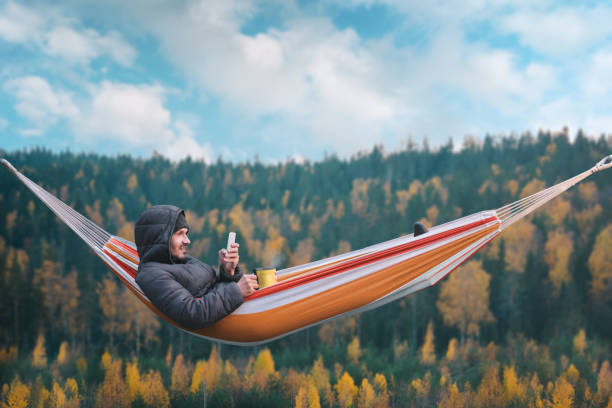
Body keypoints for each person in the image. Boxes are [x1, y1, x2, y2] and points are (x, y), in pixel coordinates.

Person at [134, 205, 258, 330]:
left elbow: (210, 287)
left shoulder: (178, 259)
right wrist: (236, 291)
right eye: (180, 233)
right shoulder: (151, 275)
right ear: (160, 238)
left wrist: (228, 271)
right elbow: (191, 313)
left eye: (186, 233)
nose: (187, 240)